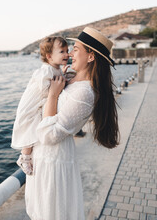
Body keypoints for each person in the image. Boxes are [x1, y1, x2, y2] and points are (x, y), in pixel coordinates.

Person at [25, 27, 119, 220]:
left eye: (75, 49)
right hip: (43, 157)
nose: (70, 54)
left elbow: (48, 135)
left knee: (51, 213)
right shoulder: (71, 80)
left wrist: (52, 94)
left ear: (91, 57)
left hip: (54, 159)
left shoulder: (85, 93)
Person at [11, 36, 69, 175]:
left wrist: (63, 77)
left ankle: (26, 156)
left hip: (40, 102)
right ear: (49, 56)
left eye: (67, 50)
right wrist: (62, 84)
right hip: (31, 104)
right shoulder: (46, 71)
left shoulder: (56, 69)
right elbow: (46, 89)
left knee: (35, 126)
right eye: (62, 51)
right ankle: (24, 157)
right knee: (29, 127)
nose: (67, 54)